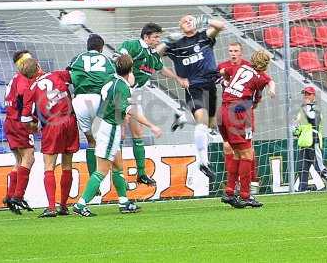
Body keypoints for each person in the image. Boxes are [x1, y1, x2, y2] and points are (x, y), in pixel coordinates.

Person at [73, 54, 162, 217]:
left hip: (101, 123)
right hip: (109, 128)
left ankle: (123, 201)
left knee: (118, 166)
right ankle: (81, 204)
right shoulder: (122, 87)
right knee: (102, 170)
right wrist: (152, 126)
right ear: (131, 70)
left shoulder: (110, 79)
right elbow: (131, 111)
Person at [157, 14, 225, 180]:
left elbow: (221, 26)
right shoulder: (176, 44)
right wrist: (166, 41)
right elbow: (154, 56)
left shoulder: (204, 37)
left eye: (190, 20)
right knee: (201, 123)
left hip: (210, 85)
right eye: (184, 21)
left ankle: (183, 118)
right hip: (193, 87)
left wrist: (203, 20)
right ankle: (204, 163)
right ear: (180, 26)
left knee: (210, 124)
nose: (188, 22)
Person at [117, 22, 186, 186]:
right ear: (146, 37)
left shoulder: (153, 56)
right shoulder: (132, 45)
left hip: (135, 94)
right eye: (155, 37)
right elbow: (120, 59)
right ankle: (116, 175)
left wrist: (178, 79)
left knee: (137, 133)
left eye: (159, 37)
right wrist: (129, 73)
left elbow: (162, 70)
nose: (157, 40)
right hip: (121, 92)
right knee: (120, 133)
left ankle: (141, 174)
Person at [19, 58, 79, 217]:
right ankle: (64, 206)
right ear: (38, 66)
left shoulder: (30, 90)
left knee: (49, 166)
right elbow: (75, 75)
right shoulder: (57, 75)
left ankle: (51, 207)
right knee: (67, 164)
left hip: (52, 124)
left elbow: (25, 120)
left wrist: (35, 128)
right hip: (70, 119)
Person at [217, 42, 275, 198]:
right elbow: (267, 84)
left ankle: (230, 189)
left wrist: (226, 82)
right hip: (239, 115)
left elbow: (222, 71)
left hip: (222, 112)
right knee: (247, 155)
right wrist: (272, 89)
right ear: (265, 65)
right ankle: (245, 194)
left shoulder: (239, 68)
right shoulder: (260, 78)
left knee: (236, 153)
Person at [68, 34, 116, 180]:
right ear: (101, 48)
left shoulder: (77, 58)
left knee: (91, 141)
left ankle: (92, 180)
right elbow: (113, 80)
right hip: (99, 99)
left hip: (80, 100)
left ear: (87, 46)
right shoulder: (107, 60)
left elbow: (69, 75)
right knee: (109, 139)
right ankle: (117, 177)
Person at [3, 50, 36, 214]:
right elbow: (24, 96)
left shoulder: (14, 79)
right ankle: (18, 195)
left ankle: (10, 196)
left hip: (9, 122)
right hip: (18, 122)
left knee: (20, 160)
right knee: (29, 157)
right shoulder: (23, 80)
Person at [293, 86, 327, 192]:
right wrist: (295, 129)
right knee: (302, 169)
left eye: (308, 94)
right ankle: (302, 189)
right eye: (305, 94)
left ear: (313, 96)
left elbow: (314, 121)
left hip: (313, 141)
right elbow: (298, 129)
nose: (306, 96)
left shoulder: (316, 109)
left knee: (319, 167)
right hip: (303, 142)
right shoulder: (302, 110)